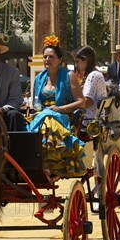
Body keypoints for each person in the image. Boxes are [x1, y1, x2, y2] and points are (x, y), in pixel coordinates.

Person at [28, 35, 87, 177]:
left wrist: (60, 108)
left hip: (62, 115)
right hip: (40, 115)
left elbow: (81, 101)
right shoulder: (38, 78)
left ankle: (51, 162)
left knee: (49, 119)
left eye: (51, 57)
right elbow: (36, 102)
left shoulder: (69, 76)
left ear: (59, 60)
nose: (47, 60)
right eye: (45, 57)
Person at [74, 45, 107, 126]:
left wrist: (64, 108)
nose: (75, 64)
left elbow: (87, 102)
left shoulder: (93, 75)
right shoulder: (96, 73)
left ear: (86, 60)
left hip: (88, 122)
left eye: (77, 61)